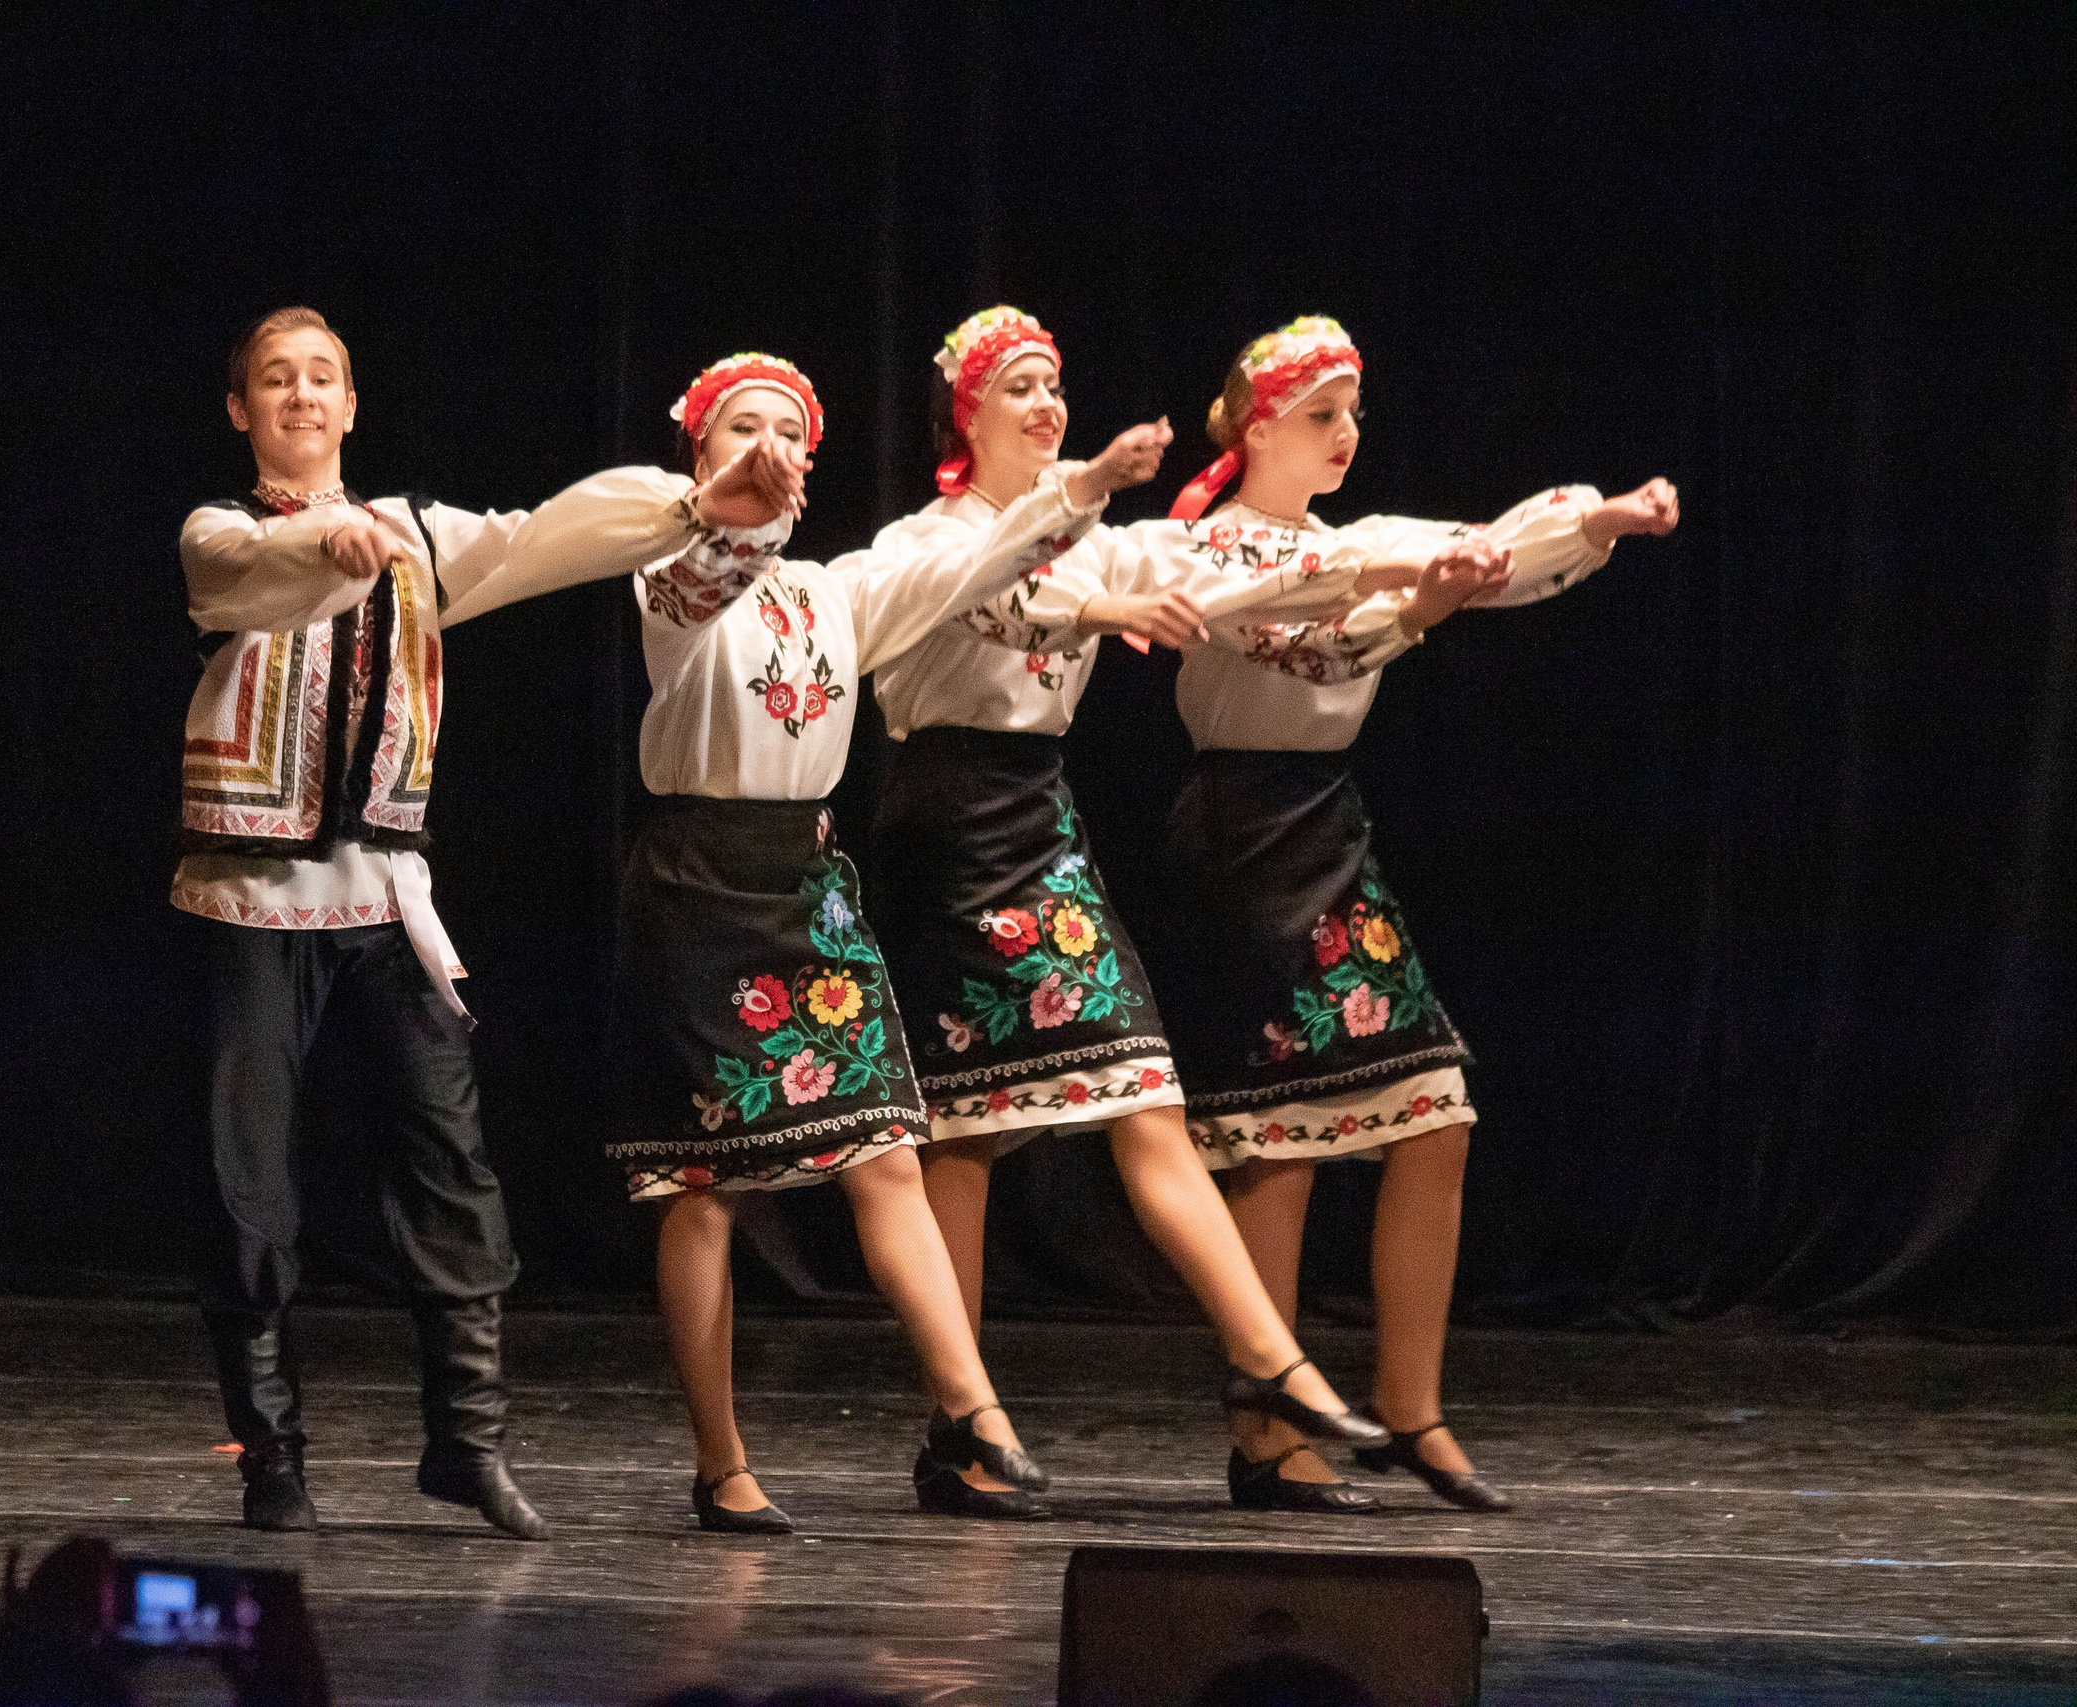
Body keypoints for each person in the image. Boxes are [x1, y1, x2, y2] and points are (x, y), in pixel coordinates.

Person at [175, 308, 802, 1535]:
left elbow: (540, 541)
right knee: (246, 1186)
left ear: (352, 407)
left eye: (323, 378)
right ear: (242, 408)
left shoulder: (419, 537)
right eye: (275, 380)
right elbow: (250, 582)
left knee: (450, 1167)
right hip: (251, 900)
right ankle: (274, 1459)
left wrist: (690, 506)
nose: (301, 395)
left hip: (387, 901)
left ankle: (466, 1440)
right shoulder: (217, 534)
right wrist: (332, 546)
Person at [869, 307, 1515, 1484]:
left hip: (1038, 815)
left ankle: (1274, 1371)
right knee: (966, 1131)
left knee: (1142, 1091)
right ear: (963, 412)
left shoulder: (1101, 542)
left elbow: (1231, 564)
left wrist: (1447, 560)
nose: (1047, 403)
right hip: (948, 817)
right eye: (1019, 385)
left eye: (1054, 381)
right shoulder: (918, 540)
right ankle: (966, 1423)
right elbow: (978, 594)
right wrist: (1100, 573)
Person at [583, 351, 1163, 1529]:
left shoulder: (837, 588)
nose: (765, 450)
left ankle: (973, 1409)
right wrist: (724, 509)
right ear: (698, 451)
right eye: (739, 431)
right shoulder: (668, 567)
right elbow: (696, 583)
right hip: (698, 882)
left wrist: (1083, 485)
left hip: (804, 878)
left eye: (786, 434)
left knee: (887, 1150)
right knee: (703, 1187)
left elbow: (973, 564)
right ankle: (722, 1461)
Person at [1159, 316, 1679, 1511]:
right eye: (1320, 415)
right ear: (1254, 426)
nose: (1345, 435)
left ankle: (1411, 1409)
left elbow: (1482, 545)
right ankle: (1265, 1430)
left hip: (1326, 828)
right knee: (1275, 1142)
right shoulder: (1202, 551)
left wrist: (1597, 520)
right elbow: (1307, 637)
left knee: (1432, 1111)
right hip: (1242, 833)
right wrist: (1413, 611)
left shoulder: (1354, 540)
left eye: (1351, 414)